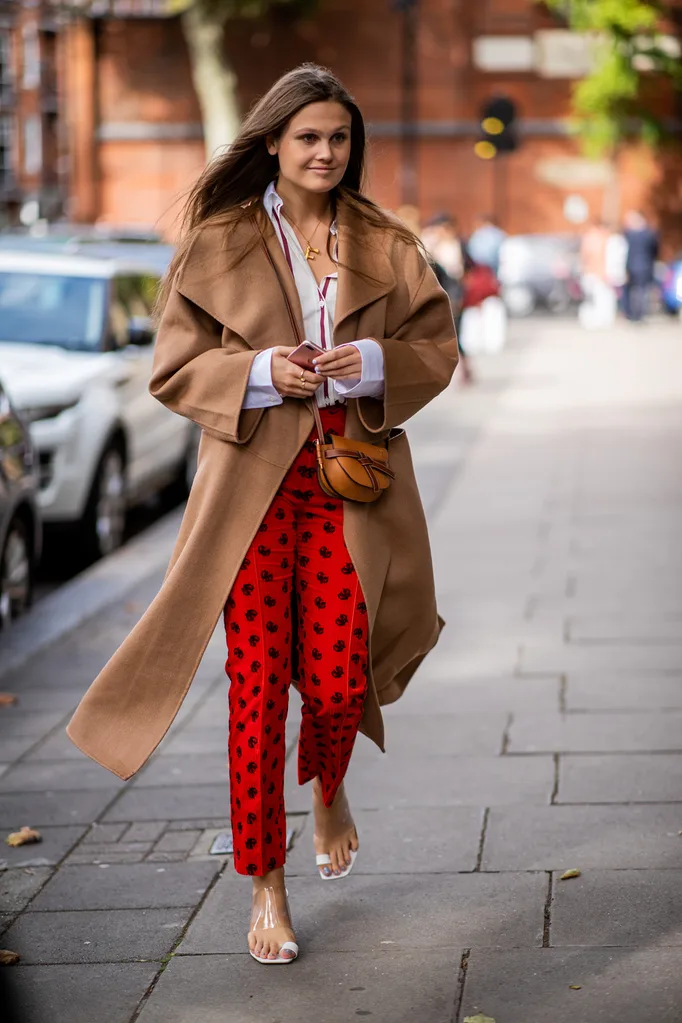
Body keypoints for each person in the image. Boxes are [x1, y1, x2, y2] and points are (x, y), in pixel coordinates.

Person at [67, 65, 459, 965]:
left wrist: (364, 361)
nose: (325, 152)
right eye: (308, 136)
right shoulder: (218, 240)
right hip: (249, 493)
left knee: (333, 681)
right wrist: (257, 373)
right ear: (274, 142)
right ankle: (265, 885)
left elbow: (435, 351)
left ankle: (326, 787)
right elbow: (173, 368)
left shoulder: (388, 243)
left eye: (339, 137)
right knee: (255, 692)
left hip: (350, 484)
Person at [422, 213, 473, 383]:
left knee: (455, 334)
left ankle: (464, 368)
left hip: (455, 294)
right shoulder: (432, 246)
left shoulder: (458, 244)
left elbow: (464, 269)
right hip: (436, 293)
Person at [578, 218, 619, 329]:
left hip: (589, 273)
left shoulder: (588, 238)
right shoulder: (600, 239)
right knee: (601, 297)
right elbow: (599, 258)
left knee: (594, 298)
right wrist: (602, 273)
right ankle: (600, 320)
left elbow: (585, 257)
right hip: (597, 274)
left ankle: (595, 320)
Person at [623, 210, 659, 322]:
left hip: (633, 266)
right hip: (645, 266)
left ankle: (632, 314)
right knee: (641, 291)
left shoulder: (629, 235)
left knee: (634, 291)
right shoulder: (649, 234)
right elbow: (655, 250)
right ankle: (639, 314)